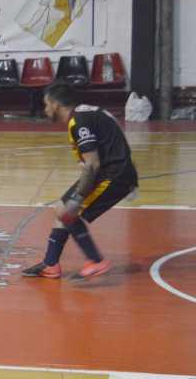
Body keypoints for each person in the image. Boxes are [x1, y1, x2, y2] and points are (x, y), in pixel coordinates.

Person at [22, 82, 137, 280]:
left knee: (68, 210)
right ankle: (50, 264)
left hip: (114, 176)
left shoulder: (79, 121)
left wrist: (77, 198)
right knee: (62, 208)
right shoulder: (84, 114)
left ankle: (96, 260)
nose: (45, 109)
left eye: (46, 104)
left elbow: (92, 164)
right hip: (111, 171)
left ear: (56, 104)